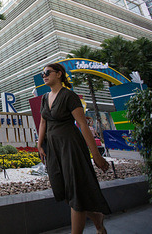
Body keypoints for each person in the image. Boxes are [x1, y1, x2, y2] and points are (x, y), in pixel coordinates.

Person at [37, 63, 110, 234]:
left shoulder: (69, 96)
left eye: (47, 72)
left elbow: (83, 125)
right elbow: (43, 122)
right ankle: (98, 220)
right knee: (64, 190)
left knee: (76, 191)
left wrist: (96, 155)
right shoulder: (44, 97)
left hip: (71, 146)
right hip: (53, 149)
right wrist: (40, 144)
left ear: (59, 74)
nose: (44, 76)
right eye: (42, 74)